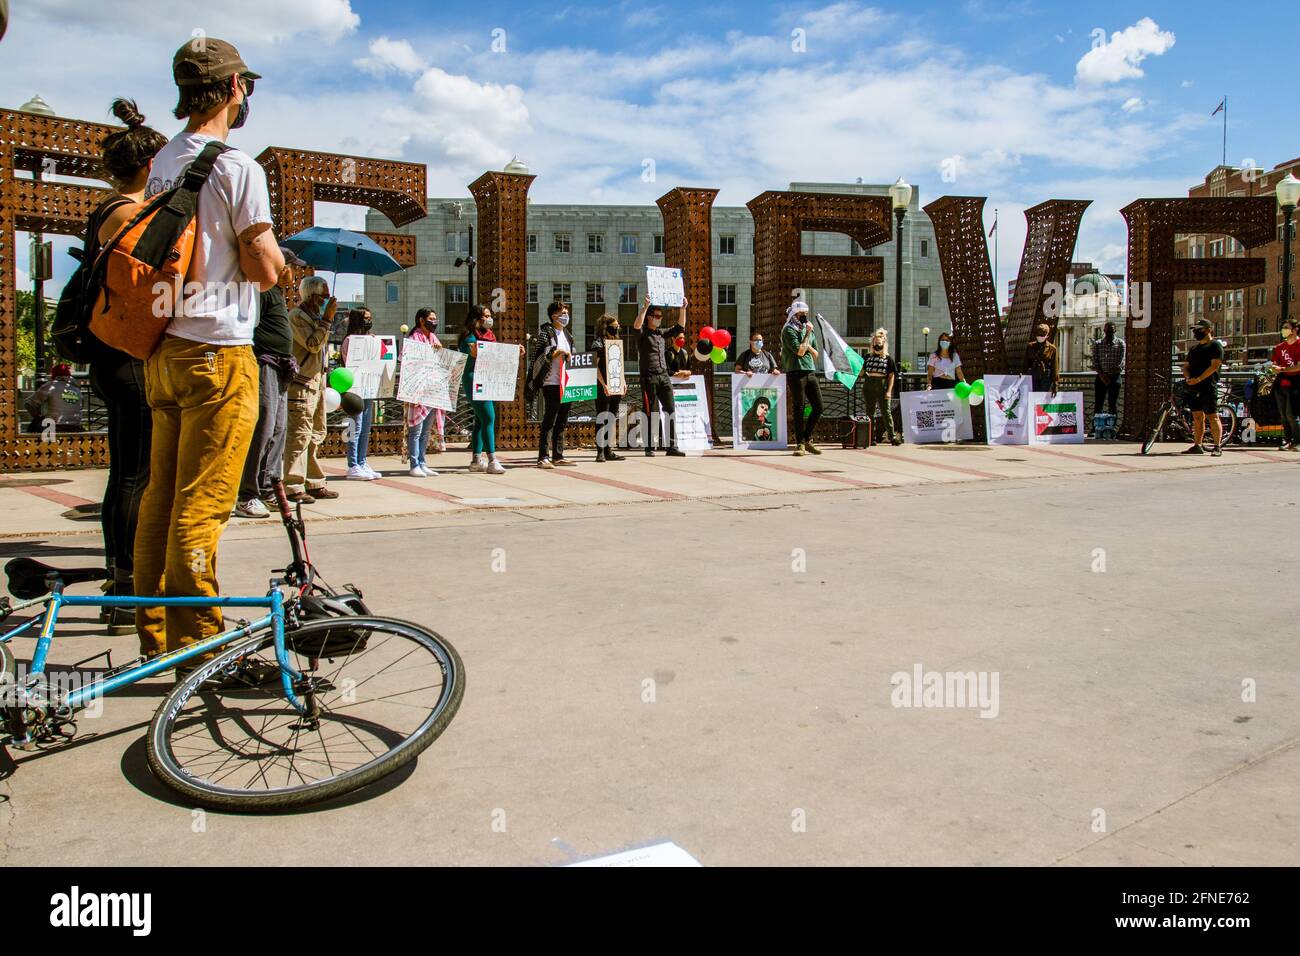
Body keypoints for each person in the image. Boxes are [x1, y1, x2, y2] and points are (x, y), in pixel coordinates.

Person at [134, 37, 285, 665]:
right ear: (231, 89)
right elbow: (264, 266)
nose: (246, 95)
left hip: (163, 350)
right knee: (204, 503)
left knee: (161, 496)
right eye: (244, 85)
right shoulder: (237, 166)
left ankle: (154, 635)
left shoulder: (161, 162)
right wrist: (274, 261)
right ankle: (198, 645)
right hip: (218, 351)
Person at [85, 98, 166, 632]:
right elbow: (157, 273)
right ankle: (126, 589)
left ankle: (123, 583)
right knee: (137, 473)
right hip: (128, 354)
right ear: (150, 167)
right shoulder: (128, 213)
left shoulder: (109, 210)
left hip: (112, 352)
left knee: (128, 472)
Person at [234, 256, 297, 517]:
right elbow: (250, 325)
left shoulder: (276, 293)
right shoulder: (261, 290)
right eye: (290, 266)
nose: (293, 272)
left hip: (280, 366)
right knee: (264, 426)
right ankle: (247, 494)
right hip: (265, 363)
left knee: (279, 429)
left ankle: (269, 487)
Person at [283, 274, 339, 503]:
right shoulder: (297, 317)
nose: (326, 300)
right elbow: (313, 345)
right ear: (312, 295)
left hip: (318, 383)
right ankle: (293, 484)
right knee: (299, 435)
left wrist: (324, 320)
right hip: (302, 384)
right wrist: (327, 320)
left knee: (316, 434)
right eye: (323, 296)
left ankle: (314, 481)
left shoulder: (316, 317)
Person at [460, 303, 522, 474]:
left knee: (480, 421)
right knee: (489, 417)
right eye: (486, 316)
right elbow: (478, 353)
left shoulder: (489, 335)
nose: (489, 319)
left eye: (489, 315)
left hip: (488, 378)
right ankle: (492, 460)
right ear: (477, 318)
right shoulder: (469, 337)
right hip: (475, 380)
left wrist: (513, 351)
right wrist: (508, 351)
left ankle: (476, 460)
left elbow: (494, 353)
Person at [632, 293, 688, 457]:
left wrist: (683, 309)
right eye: (656, 316)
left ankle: (672, 446)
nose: (659, 319)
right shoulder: (643, 334)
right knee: (651, 411)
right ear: (649, 318)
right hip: (649, 376)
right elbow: (636, 325)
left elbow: (679, 328)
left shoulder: (661, 333)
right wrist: (644, 307)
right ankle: (649, 446)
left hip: (663, 375)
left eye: (660, 316)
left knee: (670, 409)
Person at [529, 300, 576, 468]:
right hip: (551, 381)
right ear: (553, 316)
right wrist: (559, 352)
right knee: (549, 419)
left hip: (566, 383)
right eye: (562, 313)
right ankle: (543, 457)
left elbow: (573, 355)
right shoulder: (546, 333)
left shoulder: (568, 335)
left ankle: (558, 454)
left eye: (566, 313)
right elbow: (541, 355)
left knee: (562, 420)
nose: (565, 316)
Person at [403, 307, 444, 477]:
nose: (434, 322)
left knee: (426, 430)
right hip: (418, 390)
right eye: (431, 319)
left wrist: (439, 351)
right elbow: (408, 362)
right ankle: (414, 464)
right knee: (416, 430)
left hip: (432, 389)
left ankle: (422, 461)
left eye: (435, 319)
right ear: (421, 320)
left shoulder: (433, 338)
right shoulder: (413, 339)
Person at [341, 307, 379, 480]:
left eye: (370, 318)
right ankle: (353, 464)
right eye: (366, 318)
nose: (369, 321)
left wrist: (375, 343)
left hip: (368, 387)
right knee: (354, 427)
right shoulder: (350, 340)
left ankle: (362, 461)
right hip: (354, 390)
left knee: (365, 428)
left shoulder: (370, 339)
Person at [781, 300, 822, 456]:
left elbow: (816, 354)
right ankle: (800, 444)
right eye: (801, 314)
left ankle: (807, 438)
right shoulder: (788, 330)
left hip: (810, 371)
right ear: (794, 315)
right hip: (795, 371)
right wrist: (806, 334)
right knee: (799, 407)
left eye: (805, 314)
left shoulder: (808, 329)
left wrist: (808, 338)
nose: (804, 317)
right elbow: (799, 351)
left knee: (819, 407)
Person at [1182, 318, 1224, 456]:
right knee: (1197, 417)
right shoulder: (1194, 348)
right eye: (1194, 330)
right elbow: (1186, 366)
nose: (1195, 332)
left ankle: (1217, 446)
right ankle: (1197, 445)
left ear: (1208, 330)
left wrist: (1199, 379)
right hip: (1194, 387)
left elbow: (1214, 366)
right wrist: (1188, 377)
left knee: (1213, 416)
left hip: (1208, 386)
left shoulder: (1215, 346)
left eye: (1199, 330)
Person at [591, 312, 625, 462]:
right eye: (614, 327)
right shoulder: (598, 343)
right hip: (602, 385)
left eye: (618, 327)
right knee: (602, 417)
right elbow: (594, 366)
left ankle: (608, 449)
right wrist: (603, 383)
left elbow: (619, 364)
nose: (617, 329)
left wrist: (623, 381)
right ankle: (600, 451)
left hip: (616, 384)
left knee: (611, 418)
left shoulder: (616, 342)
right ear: (606, 327)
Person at [861, 327, 901, 445]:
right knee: (870, 413)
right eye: (875, 343)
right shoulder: (867, 357)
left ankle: (892, 436)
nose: (876, 345)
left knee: (886, 412)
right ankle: (870, 437)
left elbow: (891, 376)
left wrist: (889, 391)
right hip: (869, 384)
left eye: (879, 343)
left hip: (882, 385)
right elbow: (861, 372)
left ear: (884, 344)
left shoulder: (888, 359)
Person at [24, 363, 84, 433]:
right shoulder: (77, 389)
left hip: (54, 427)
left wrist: (38, 417)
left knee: (33, 426)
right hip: (75, 427)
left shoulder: (51, 385)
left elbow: (28, 404)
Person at [1270, 319, 1300, 451]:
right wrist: (1274, 368)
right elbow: (1274, 364)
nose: (1284, 330)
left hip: (1296, 383)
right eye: (1283, 328)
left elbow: (1299, 367)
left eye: (1287, 328)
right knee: (1283, 415)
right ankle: (1288, 440)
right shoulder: (1279, 347)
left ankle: (1297, 441)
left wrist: (1282, 369)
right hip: (1280, 384)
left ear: (1295, 330)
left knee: (1291, 414)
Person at [1091, 321, 1125, 418]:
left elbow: (1121, 363)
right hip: (1100, 378)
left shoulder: (1121, 343)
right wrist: (1102, 375)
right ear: (1104, 330)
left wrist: (1109, 375)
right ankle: (1096, 427)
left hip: (1115, 378)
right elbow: (1095, 361)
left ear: (1115, 330)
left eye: (1111, 330)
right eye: (1107, 330)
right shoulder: (1098, 344)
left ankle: (1111, 428)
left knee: (1113, 404)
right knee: (1098, 404)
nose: (1109, 332)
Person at [1024, 323, 1059, 393]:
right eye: (1038, 335)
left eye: (1042, 335)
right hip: (1033, 376)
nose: (1040, 337)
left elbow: (1054, 367)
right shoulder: (1031, 346)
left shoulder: (1052, 349)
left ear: (1047, 336)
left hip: (1046, 378)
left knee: (1043, 400)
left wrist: (1055, 383)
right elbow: (1026, 363)